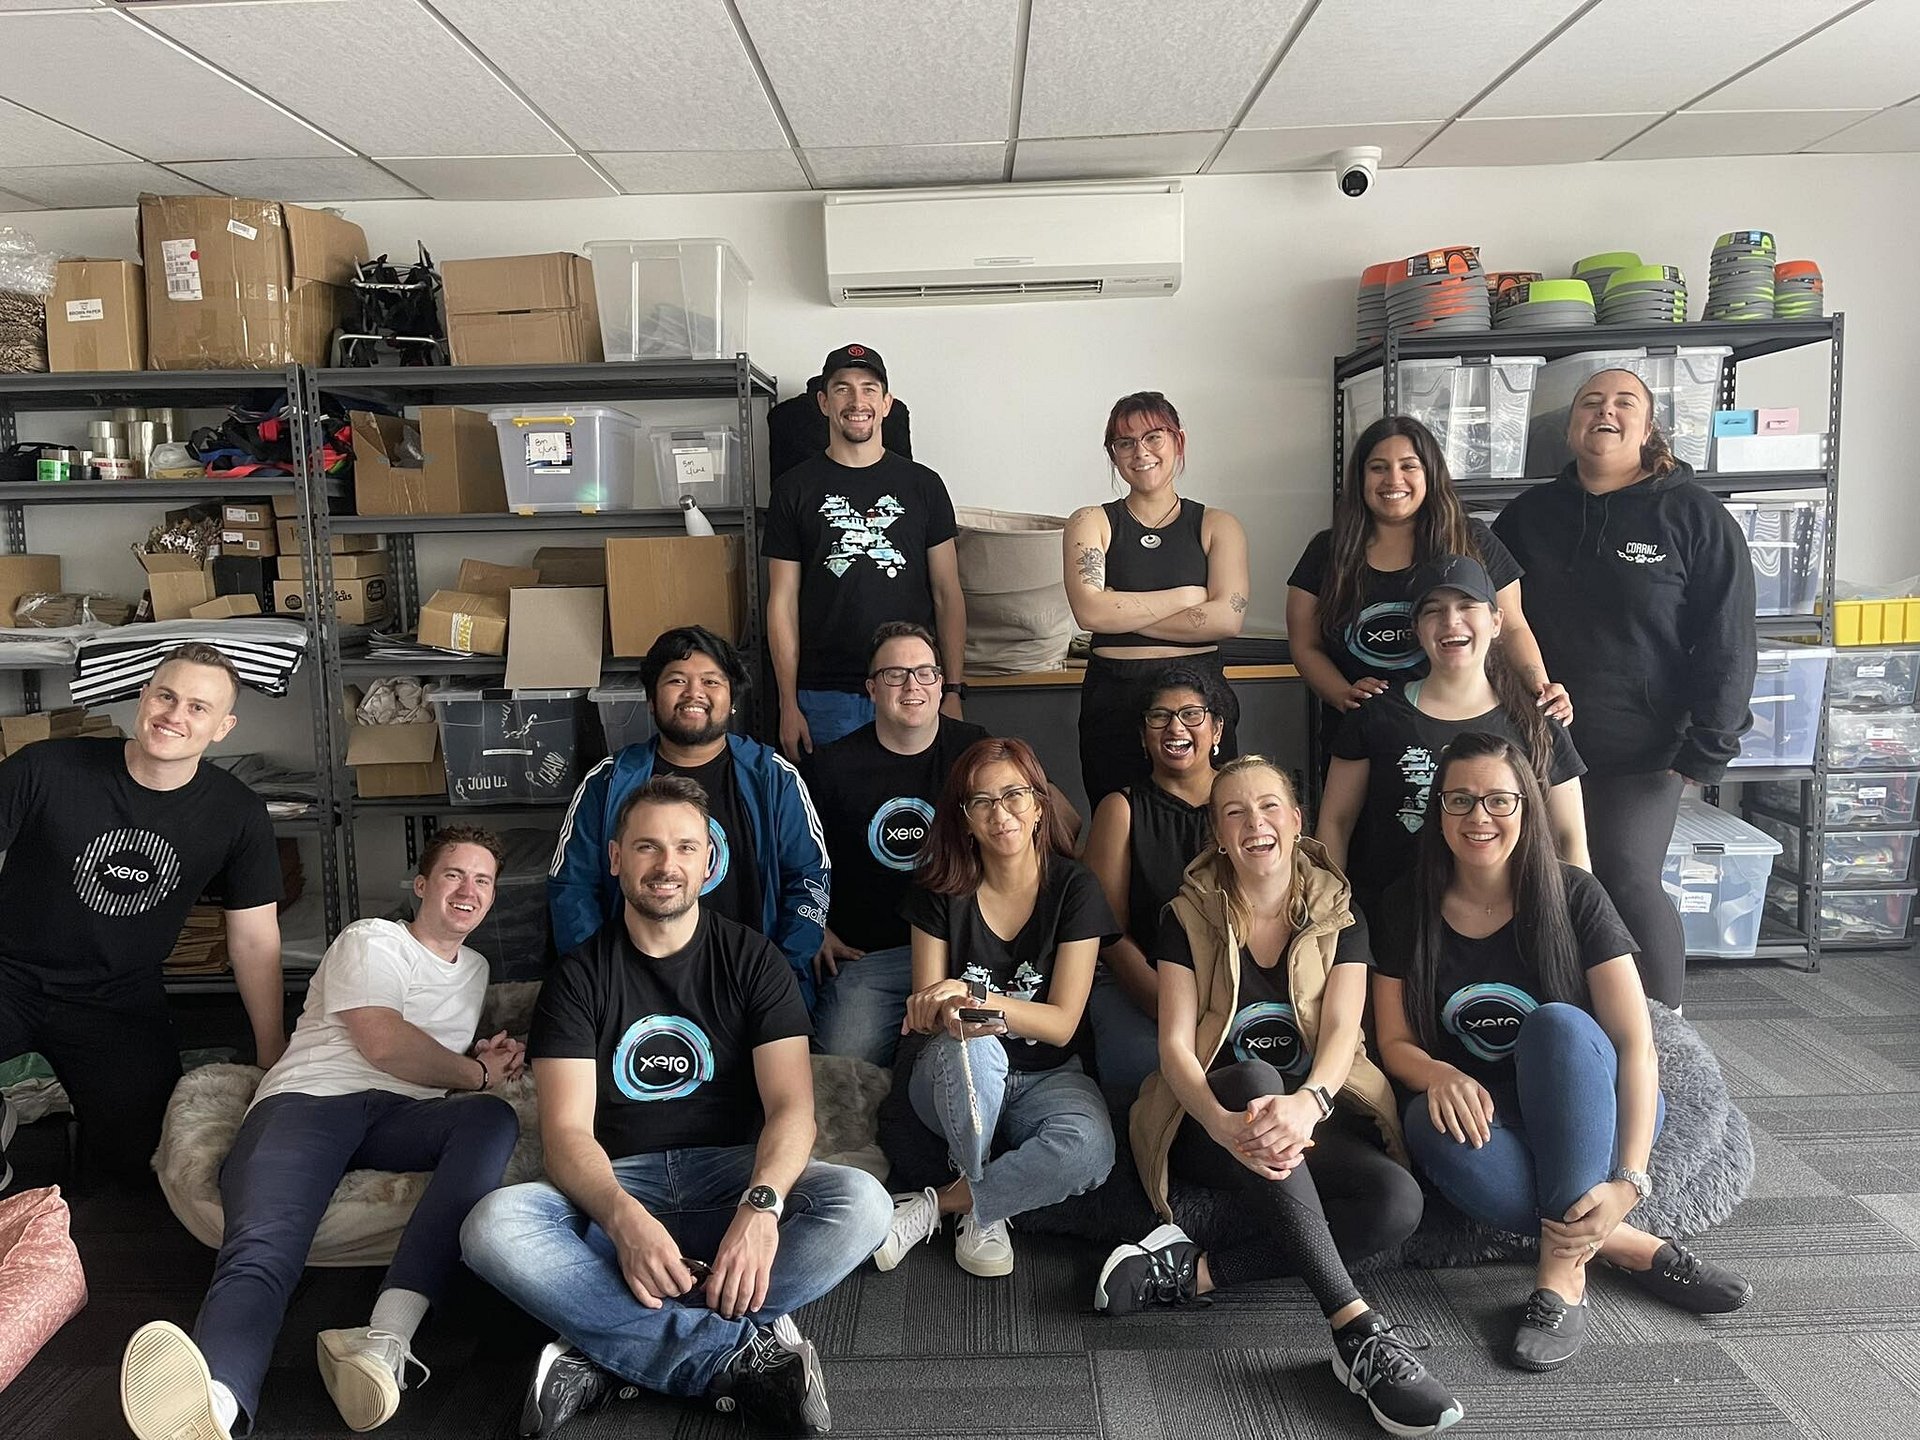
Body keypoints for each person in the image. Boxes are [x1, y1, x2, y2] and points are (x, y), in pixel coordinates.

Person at [463, 778, 892, 1438]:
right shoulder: (577, 977)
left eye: (685, 847)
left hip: (732, 1178)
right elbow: (566, 1134)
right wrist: (623, 1220)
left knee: (864, 1203)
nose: (667, 865)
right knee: (492, 1226)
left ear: (708, 860)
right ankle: (734, 1356)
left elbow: (792, 1109)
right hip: (617, 1187)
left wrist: (761, 1209)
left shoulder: (755, 961)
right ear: (615, 859)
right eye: (647, 847)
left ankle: (606, 1346)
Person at [1098, 757, 1462, 1438]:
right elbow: (1175, 1047)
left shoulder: (1341, 911)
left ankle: (1194, 1274)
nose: (1254, 823)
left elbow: (1343, 1033)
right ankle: (1356, 1330)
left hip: (1309, 1121)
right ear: (1217, 834)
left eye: (1269, 807)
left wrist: (1309, 1105)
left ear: (1296, 821)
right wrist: (1220, 1122)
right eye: (1234, 813)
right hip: (1211, 1122)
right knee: (1255, 1080)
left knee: (1397, 1202)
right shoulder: (1185, 916)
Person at [120, 828, 523, 1439]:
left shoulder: (477, 969)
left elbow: (427, 1052)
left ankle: (385, 1339)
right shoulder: (372, 938)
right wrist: (477, 1074)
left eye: (483, 880)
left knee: (492, 1118)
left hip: (403, 1116)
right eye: (453, 875)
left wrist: (481, 1060)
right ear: (421, 885)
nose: (468, 890)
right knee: (264, 1248)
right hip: (310, 1102)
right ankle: (217, 1403)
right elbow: (383, 1041)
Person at [1372, 732, 1751, 1372]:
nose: (1479, 817)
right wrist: (1437, 1073)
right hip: (1487, 1118)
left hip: (1590, 1104)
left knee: (1556, 1026)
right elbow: (1393, 1043)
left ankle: (1560, 1278)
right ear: (1438, 811)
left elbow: (1636, 1043)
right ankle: (1628, 1246)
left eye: (1499, 800)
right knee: (1425, 1124)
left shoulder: (1575, 893)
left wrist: (1629, 1179)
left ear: (1527, 806)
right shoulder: (1405, 903)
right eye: (1460, 800)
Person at [1492, 369, 1757, 1009]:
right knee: (1541, 880)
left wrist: (1708, 748)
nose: (1605, 412)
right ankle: (1565, 1016)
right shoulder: (1529, 515)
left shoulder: (1694, 515)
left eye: (1623, 403)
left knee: (1625, 876)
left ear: (1648, 426)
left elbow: (1728, 641)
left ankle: (1667, 1032)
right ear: (1570, 426)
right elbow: (1493, 617)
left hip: (1642, 749)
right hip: (1538, 739)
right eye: (1591, 402)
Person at [0, 642, 286, 1187]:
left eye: (198, 707)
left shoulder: (237, 813)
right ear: (142, 697)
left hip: (116, 996)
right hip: (9, 972)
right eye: (165, 696)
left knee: (140, 1161)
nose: (175, 715)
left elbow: (254, 940)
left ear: (223, 727)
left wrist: (271, 1052)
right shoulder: (47, 768)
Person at [872, 738, 1116, 1278]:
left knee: (1090, 1150)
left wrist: (974, 997)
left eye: (1013, 796)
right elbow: (931, 1012)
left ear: (1039, 806)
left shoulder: (1075, 888)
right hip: (953, 1069)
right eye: (981, 802)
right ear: (964, 819)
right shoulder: (939, 887)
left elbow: (1062, 1024)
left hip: (1049, 1076)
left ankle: (948, 1203)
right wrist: (961, 1009)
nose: (1000, 814)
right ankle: (987, 1206)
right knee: (974, 1050)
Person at [550, 626, 830, 1007]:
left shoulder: (774, 778)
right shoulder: (609, 782)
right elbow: (572, 889)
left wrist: (778, 977)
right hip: (633, 992)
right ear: (651, 700)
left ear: (732, 698)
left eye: (711, 681)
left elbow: (810, 880)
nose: (694, 693)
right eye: (677, 681)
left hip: (752, 990)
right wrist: (606, 981)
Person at [1317, 554, 1588, 913]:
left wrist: (1575, 923)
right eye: (1434, 610)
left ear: (1496, 622)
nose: (1451, 621)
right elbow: (1335, 824)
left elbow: (1570, 838)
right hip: (1393, 918)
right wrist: (1329, 914)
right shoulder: (1374, 713)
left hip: (1510, 920)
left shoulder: (1538, 719)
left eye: (1467, 606)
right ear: (1416, 629)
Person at [1287, 416, 1568, 745]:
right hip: (1362, 736)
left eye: (1409, 466)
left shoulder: (1473, 539)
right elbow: (1304, 643)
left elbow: (1511, 627)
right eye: (1378, 468)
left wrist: (1541, 686)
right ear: (1360, 477)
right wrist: (1341, 694)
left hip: (1465, 732)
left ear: (1430, 473)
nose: (1394, 479)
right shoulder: (1327, 550)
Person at [766, 343, 968, 758]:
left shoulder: (924, 486)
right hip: (825, 695)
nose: (857, 401)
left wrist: (952, 689)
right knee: (831, 799)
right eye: (842, 388)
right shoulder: (792, 489)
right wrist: (787, 703)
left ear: (886, 403)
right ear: (824, 402)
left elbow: (947, 593)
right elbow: (782, 601)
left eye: (869, 389)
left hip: (912, 686)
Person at [807, 622, 988, 1066]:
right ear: (872, 689)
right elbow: (794, 859)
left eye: (925, 672)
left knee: (978, 1060)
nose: (912, 685)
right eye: (895, 675)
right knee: (843, 1062)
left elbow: (1042, 825)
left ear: (941, 684)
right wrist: (814, 927)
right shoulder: (831, 767)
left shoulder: (976, 750)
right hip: (873, 956)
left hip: (965, 951)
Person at [1064, 391, 1250, 807]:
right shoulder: (1090, 521)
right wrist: (1187, 597)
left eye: (1153, 437)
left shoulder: (1218, 525)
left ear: (1178, 441)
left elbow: (1227, 619)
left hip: (1199, 697)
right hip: (1115, 696)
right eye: (1125, 442)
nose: (1141, 452)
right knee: (1118, 817)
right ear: (1113, 454)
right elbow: (1089, 612)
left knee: (1211, 819)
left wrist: (1118, 609)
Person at [1081, 663, 1225, 1111]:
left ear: (1217, 730)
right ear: (1143, 736)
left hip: (1239, 984)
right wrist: (1170, 1004)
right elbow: (1108, 934)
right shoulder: (1120, 809)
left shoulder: (1245, 801)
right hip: (1142, 986)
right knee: (1148, 1072)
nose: (1175, 728)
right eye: (1159, 716)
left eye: (1191, 714)